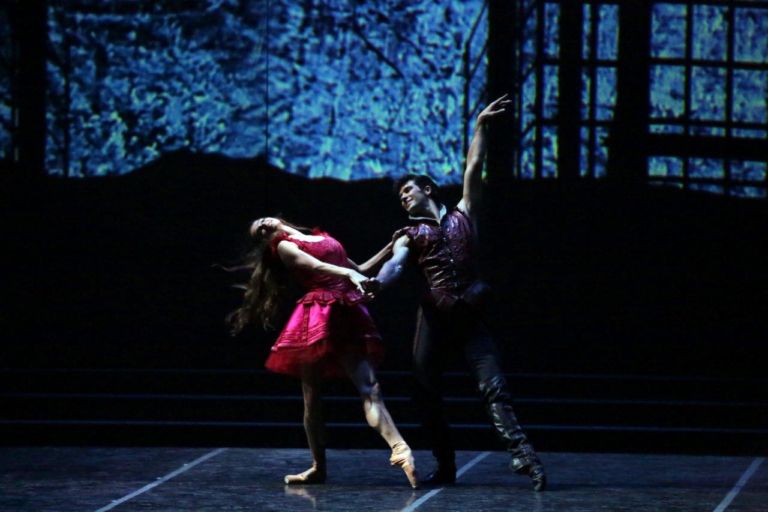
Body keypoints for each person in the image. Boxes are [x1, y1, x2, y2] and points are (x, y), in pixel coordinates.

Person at [374, 95, 546, 491]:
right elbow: (396, 264)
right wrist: (379, 283)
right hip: (435, 318)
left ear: (428, 189)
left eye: (408, 191)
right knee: (425, 392)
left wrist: (481, 125)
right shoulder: (410, 233)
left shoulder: (465, 212)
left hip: (470, 315)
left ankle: (525, 457)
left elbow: (474, 166)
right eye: (400, 196)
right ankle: (446, 465)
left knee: (494, 386)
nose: (404, 198)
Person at [227, 217, 418, 489]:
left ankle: (399, 448)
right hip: (318, 314)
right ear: (264, 240)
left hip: (345, 310)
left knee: (370, 387)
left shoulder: (321, 236)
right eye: (259, 230)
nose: (263, 225)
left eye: (262, 221)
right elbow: (317, 266)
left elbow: (359, 267)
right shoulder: (283, 246)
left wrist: (388, 248)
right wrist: (350, 275)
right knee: (312, 397)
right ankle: (319, 466)